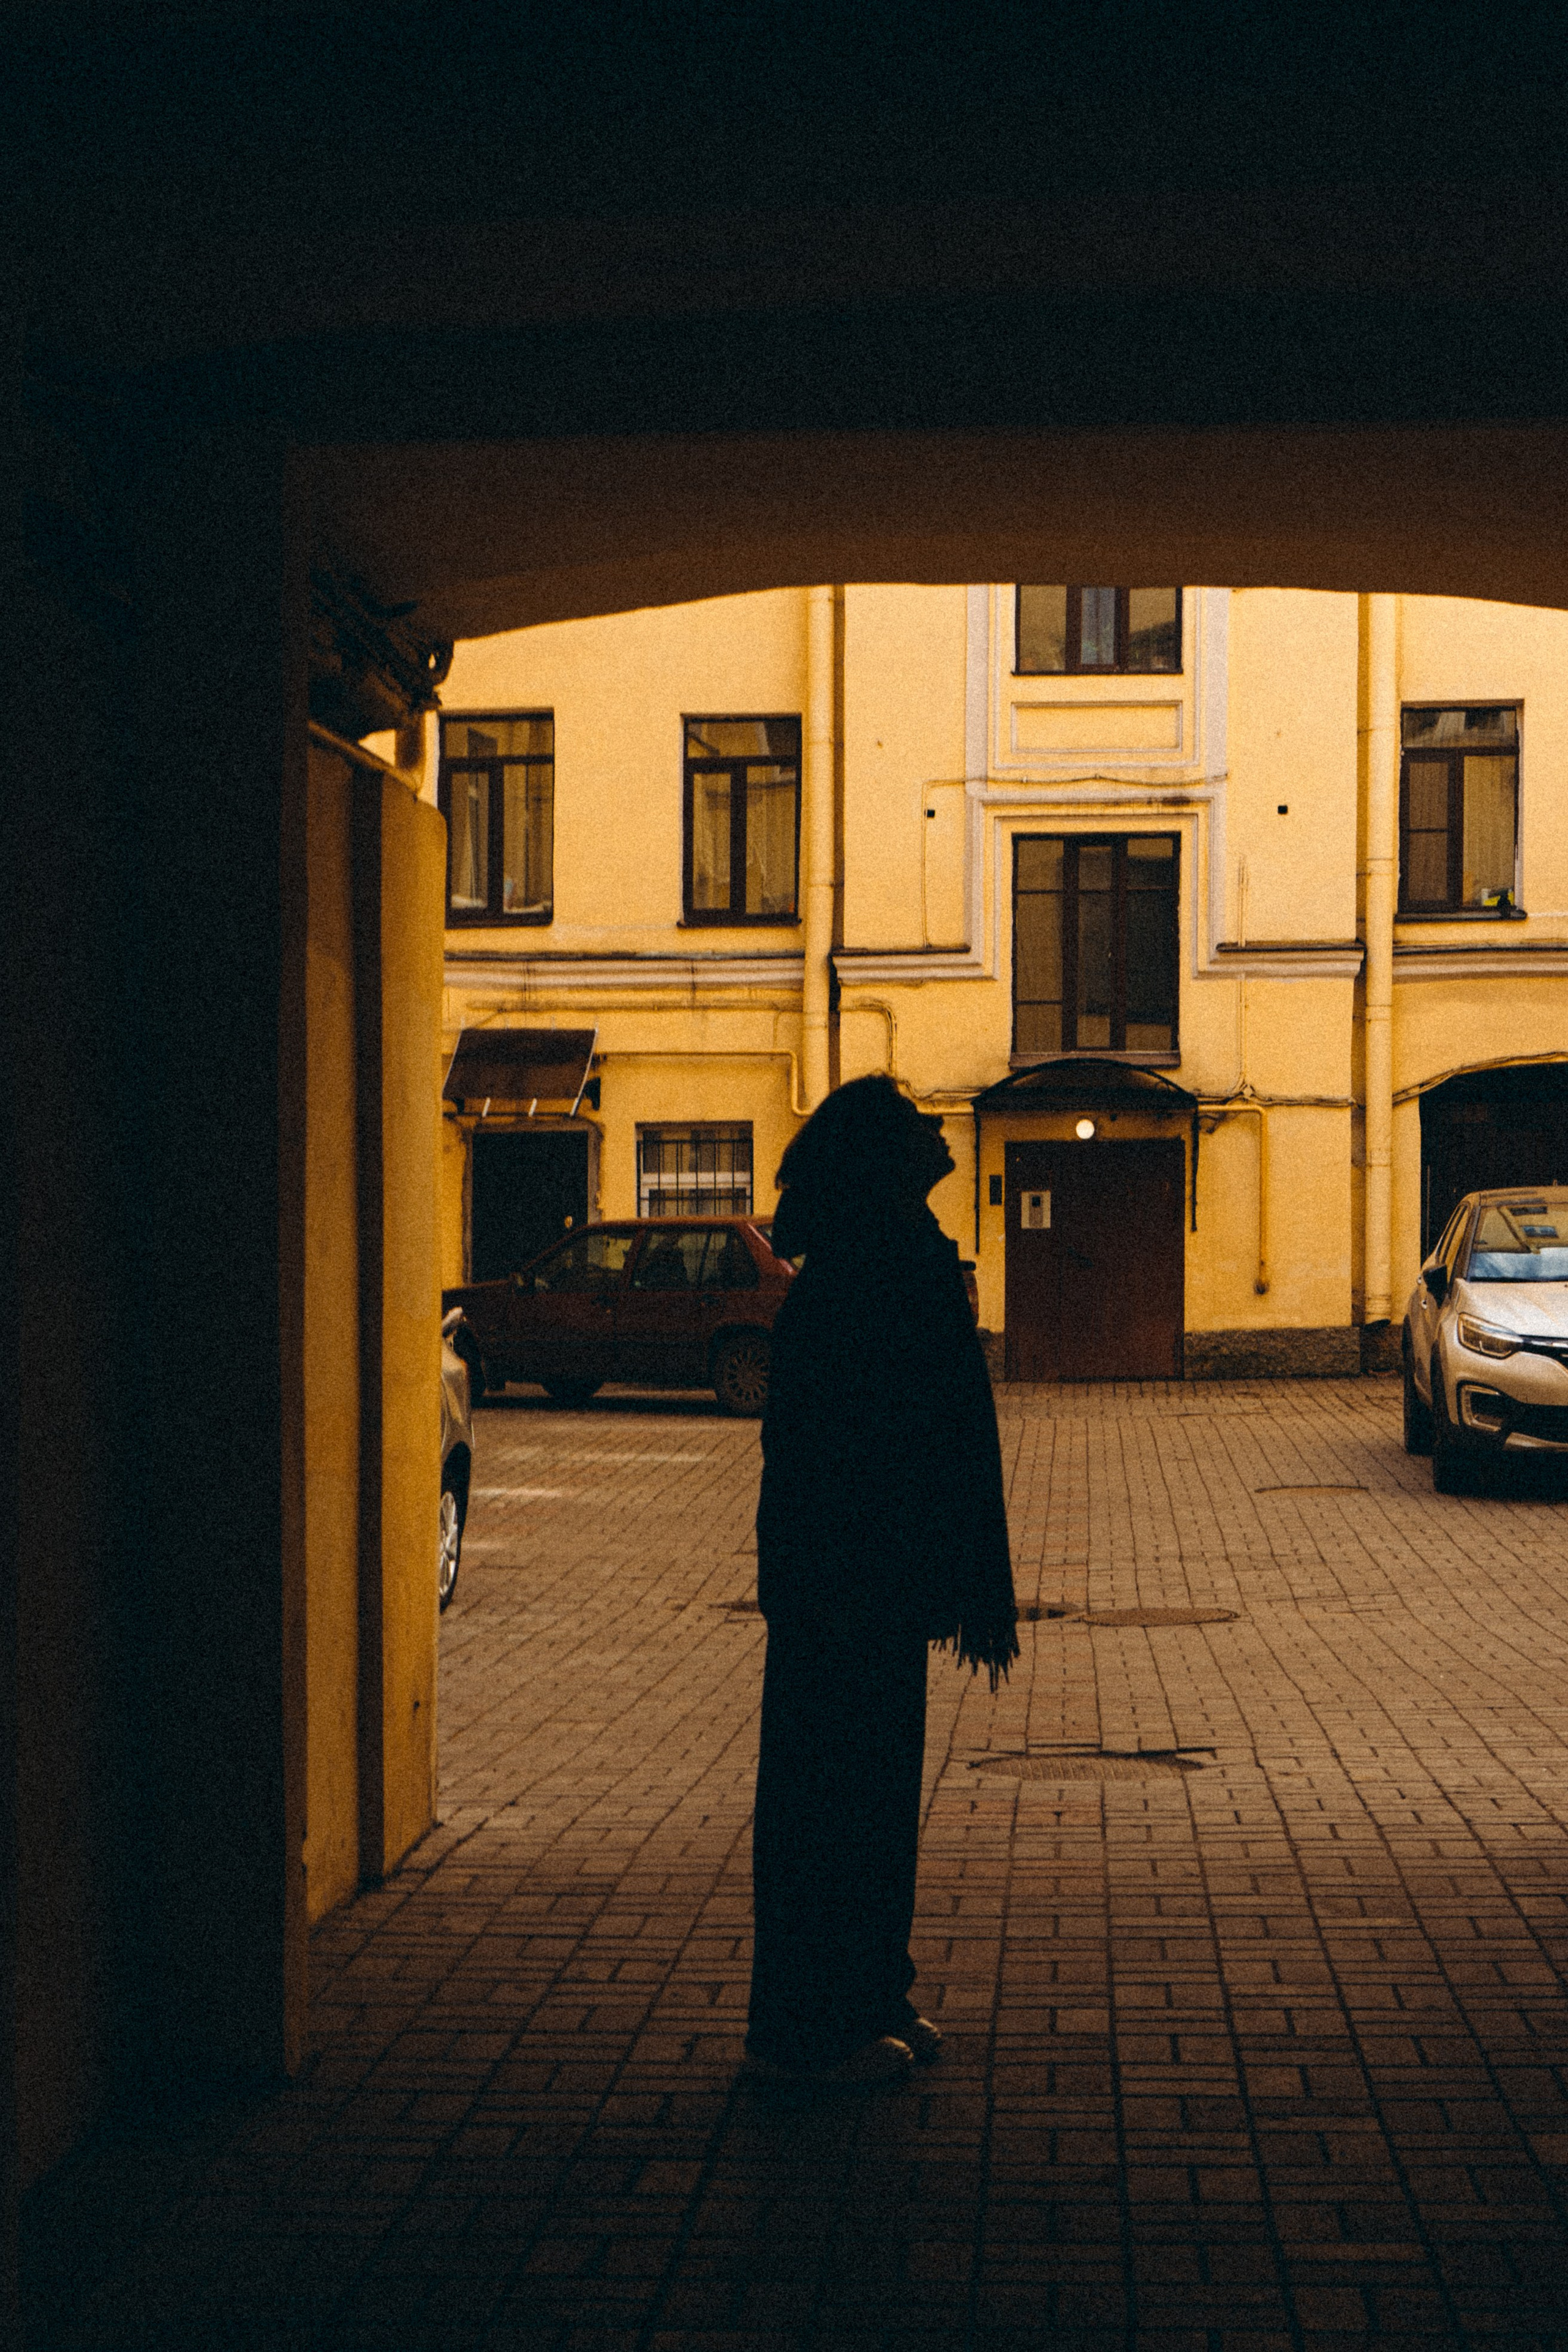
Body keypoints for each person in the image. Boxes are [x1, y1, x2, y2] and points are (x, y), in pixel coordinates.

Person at [744, 1074, 1019, 2087]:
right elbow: (872, 1444)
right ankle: (810, 2029)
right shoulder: (871, 1277)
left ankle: (868, 1992)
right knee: (837, 1805)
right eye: (917, 1154)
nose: (935, 1168)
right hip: (845, 1590)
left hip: (862, 1585)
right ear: (881, 1174)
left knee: (867, 1798)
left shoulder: (880, 1264)